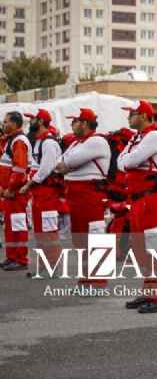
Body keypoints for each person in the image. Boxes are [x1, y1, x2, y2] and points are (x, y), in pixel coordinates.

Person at [117, 100, 157, 313]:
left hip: (151, 199)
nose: (128, 117)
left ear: (144, 116)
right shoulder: (137, 137)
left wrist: (129, 159)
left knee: (155, 248)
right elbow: (120, 161)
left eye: (132, 113)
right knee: (140, 248)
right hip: (139, 199)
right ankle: (149, 290)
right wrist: (128, 159)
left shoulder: (154, 136)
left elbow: (128, 162)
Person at [55, 109, 111, 286]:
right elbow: (58, 164)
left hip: (90, 195)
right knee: (79, 238)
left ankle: (98, 279)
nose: (72, 125)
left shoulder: (96, 141)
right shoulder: (76, 143)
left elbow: (68, 162)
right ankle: (86, 277)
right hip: (76, 195)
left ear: (85, 123)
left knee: (94, 237)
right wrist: (67, 165)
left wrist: (68, 166)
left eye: (75, 121)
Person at [19, 109, 63, 272]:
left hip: (47, 193)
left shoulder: (49, 142)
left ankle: (52, 265)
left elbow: (45, 169)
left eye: (34, 119)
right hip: (40, 193)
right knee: (40, 231)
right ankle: (45, 265)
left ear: (42, 121)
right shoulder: (39, 141)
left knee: (48, 230)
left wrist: (28, 184)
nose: (31, 122)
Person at [0, 111, 31, 271]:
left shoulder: (19, 141)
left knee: (18, 226)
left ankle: (21, 259)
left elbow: (19, 169)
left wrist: (11, 189)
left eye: (6, 122)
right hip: (8, 193)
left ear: (14, 123)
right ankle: (11, 256)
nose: (3, 124)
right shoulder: (10, 141)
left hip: (16, 193)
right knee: (10, 226)